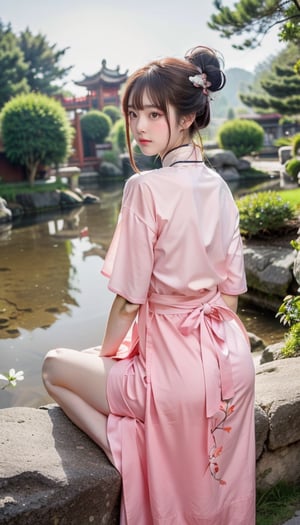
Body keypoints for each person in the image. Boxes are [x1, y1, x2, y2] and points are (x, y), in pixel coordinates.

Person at [42, 45, 256, 525]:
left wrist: (106, 359)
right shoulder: (220, 187)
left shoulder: (145, 188)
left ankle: (134, 453)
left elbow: (125, 305)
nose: (139, 127)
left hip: (172, 376)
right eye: (134, 113)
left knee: (56, 366)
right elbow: (231, 294)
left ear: (185, 119)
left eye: (154, 114)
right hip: (230, 364)